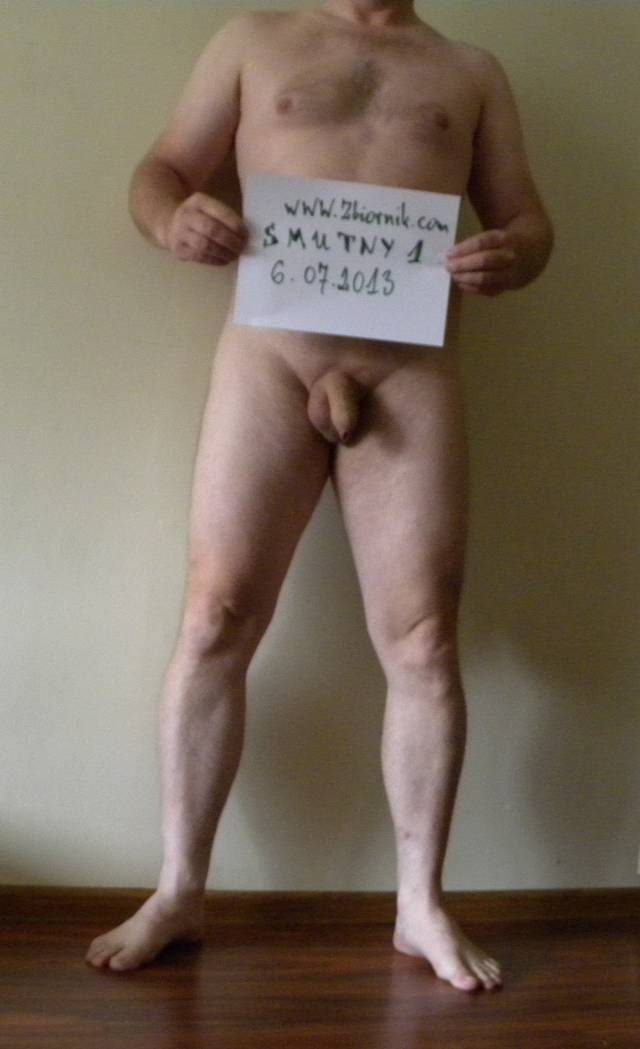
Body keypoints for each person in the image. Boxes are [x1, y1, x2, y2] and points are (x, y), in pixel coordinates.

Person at [85, 0, 553, 992]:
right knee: (215, 615)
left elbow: (530, 220)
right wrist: (172, 217)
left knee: (423, 639)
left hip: (409, 368)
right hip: (272, 355)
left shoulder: (470, 69)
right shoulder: (252, 41)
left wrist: (513, 254)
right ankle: (179, 887)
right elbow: (159, 169)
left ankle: (419, 902)